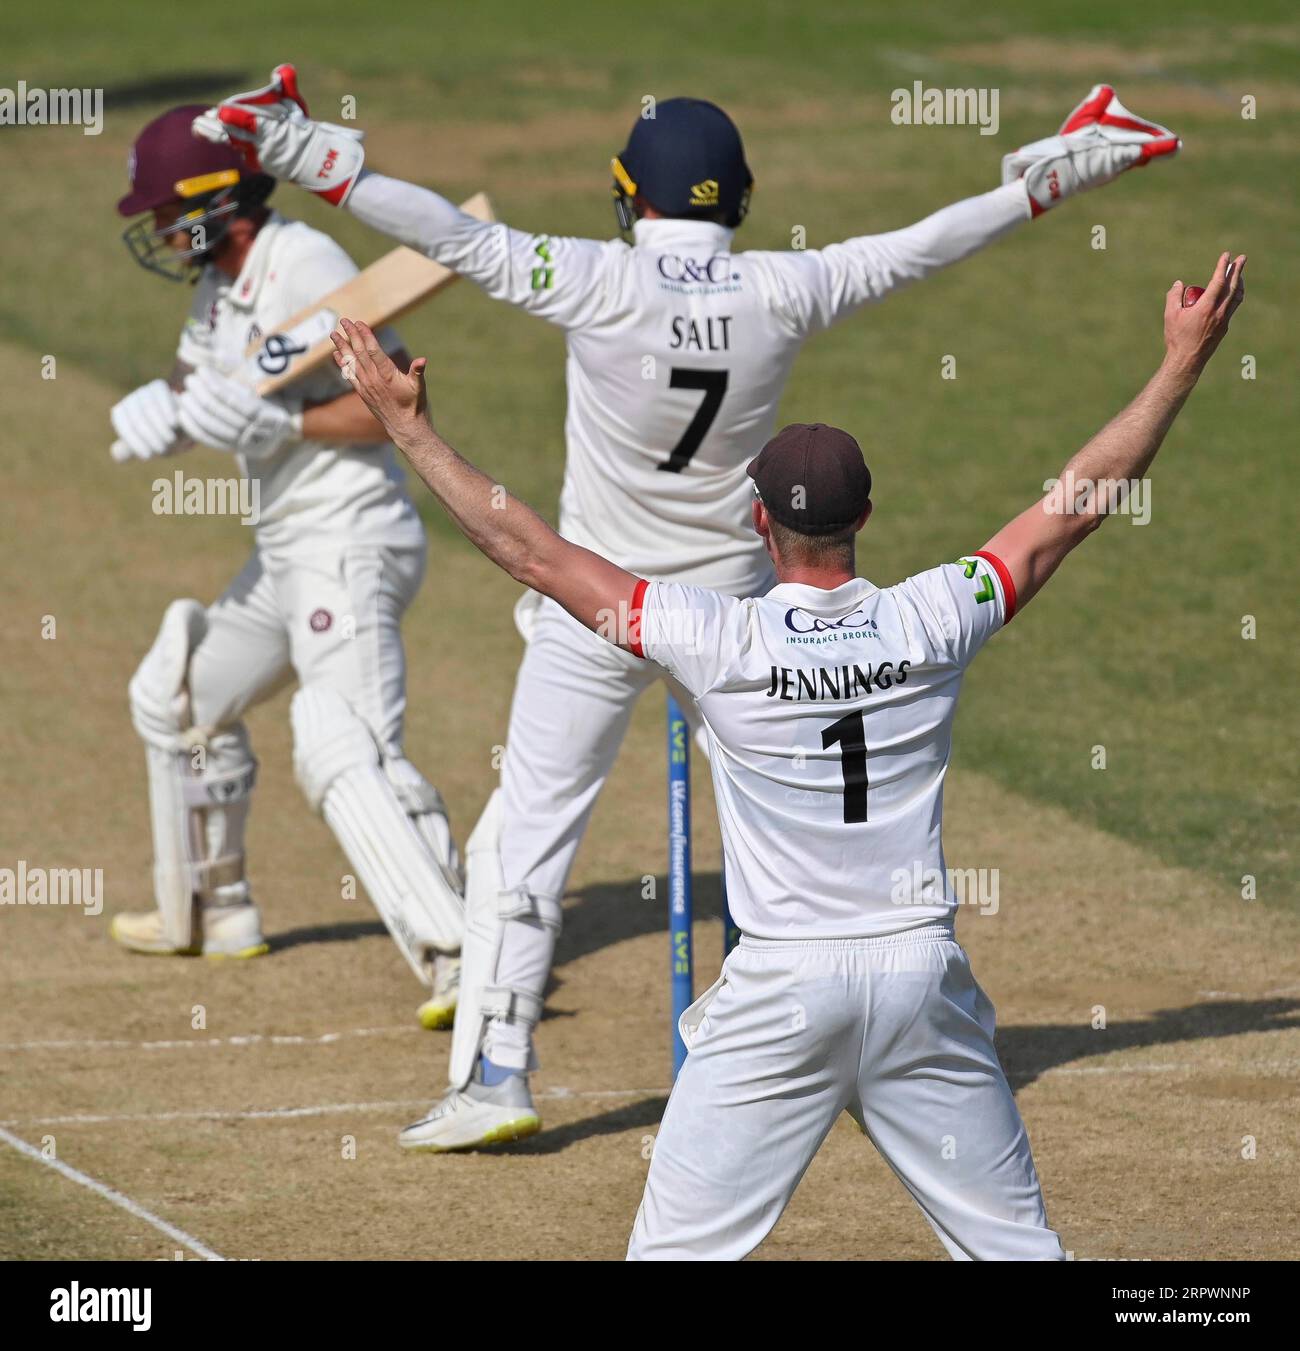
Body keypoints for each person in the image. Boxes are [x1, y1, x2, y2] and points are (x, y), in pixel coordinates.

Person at [200, 65, 1182, 1148]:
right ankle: (787, 1034)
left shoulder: (589, 278)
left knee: (525, 834)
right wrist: (1044, 182)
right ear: (741, 200)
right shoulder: (787, 286)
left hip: (595, 602)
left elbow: (446, 236)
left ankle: (498, 1072)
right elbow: (924, 244)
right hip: (734, 615)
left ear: (633, 198)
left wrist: (299, 153)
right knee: (775, 823)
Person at [332, 247, 1244, 1257]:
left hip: (780, 995)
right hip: (918, 979)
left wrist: (407, 426)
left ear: (759, 521)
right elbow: (1078, 500)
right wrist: (1180, 361)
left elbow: (532, 553)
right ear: (864, 516)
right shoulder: (935, 614)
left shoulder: (718, 638)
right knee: (1019, 1251)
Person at [108, 105, 463, 1031]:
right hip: (286, 553)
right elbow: (211, 394)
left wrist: (285, 426)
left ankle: (463, 953)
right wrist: (166, 416)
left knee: (346, 743)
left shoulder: (306, 263)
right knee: (184, 694)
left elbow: (397, 400)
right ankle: (216, 909)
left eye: (161, 213)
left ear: (215, 202)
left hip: (351, 538)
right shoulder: (217, 291)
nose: (153, 231)